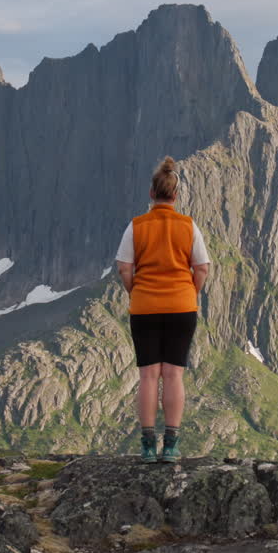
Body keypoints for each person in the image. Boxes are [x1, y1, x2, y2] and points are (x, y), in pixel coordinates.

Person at [114, 156, 211, 463]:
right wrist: (188, 293)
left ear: (151, 194)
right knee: (173, 375)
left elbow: (123, 267)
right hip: (182, 307)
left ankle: (146, 445)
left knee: (148, 376)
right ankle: (170, 445)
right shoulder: (188, 226)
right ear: (176, 195)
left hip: (144, 307)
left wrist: (136, 291)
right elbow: (203, 268)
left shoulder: (136, 226)